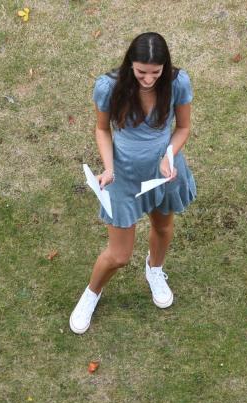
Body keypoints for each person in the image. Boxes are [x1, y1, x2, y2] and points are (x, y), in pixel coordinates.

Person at [69, 32, 196, 334]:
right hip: (123, 175)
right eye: (141, 72)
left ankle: (155, 270)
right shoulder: (109, 87)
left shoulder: (177, 83)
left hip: (162, 172)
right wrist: (109, 168)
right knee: (119, 255)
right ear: (130, 65)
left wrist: (168, 155)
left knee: (163, 226)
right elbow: (102, 130)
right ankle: (92, 293)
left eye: (156, 72)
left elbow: (184, 127)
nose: (149, 79)